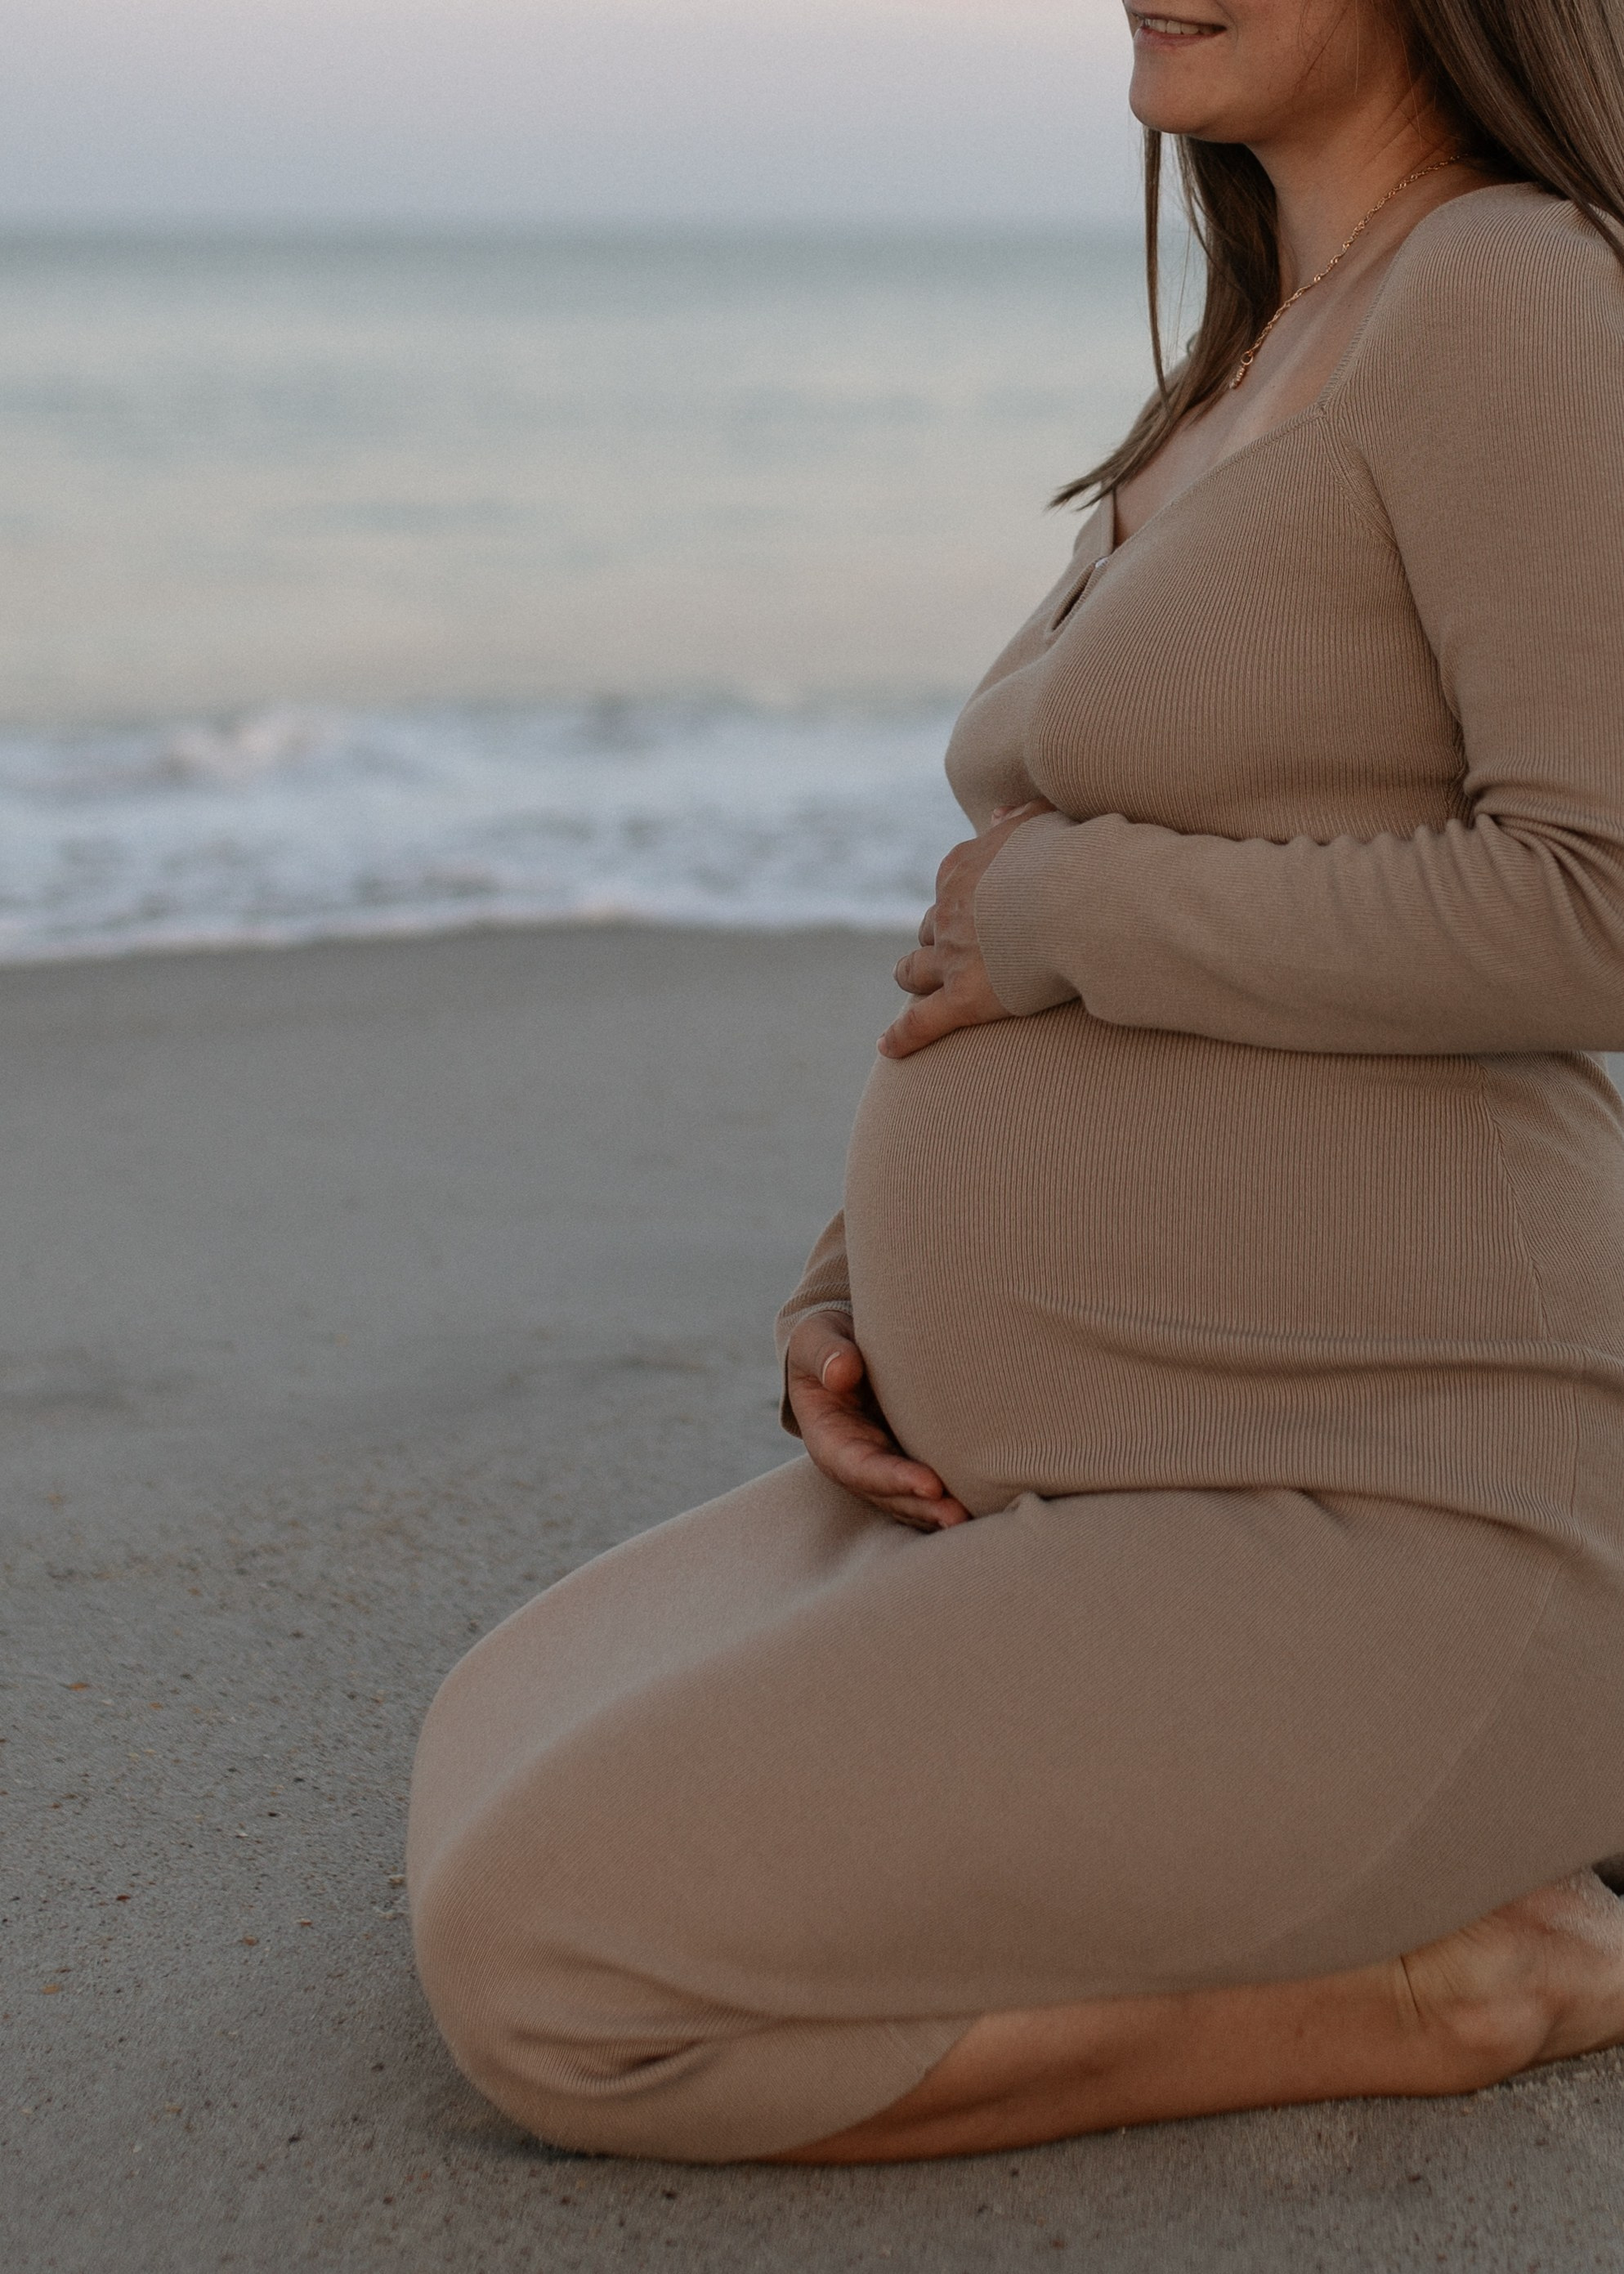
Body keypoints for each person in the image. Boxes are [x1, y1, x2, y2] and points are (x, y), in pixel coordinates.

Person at [406, 0, 1624, 2164]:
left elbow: (1590, 898)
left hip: (1399, 1497)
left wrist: (1076, 912)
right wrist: (854, 1274)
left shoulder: (1510, 287)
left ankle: (1454, 1978)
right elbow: (1007, 936)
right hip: (1084, 1470)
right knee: (479, 1751)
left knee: (554, 1977)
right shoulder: (1254, 362)